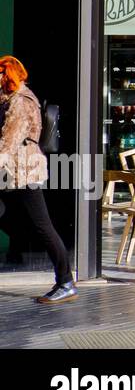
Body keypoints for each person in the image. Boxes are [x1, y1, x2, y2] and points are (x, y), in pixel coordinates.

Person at [0, 56, 75, 304]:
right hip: (12, 171)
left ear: (7, 75)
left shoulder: (21, 102)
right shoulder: (9, 99)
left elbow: (8, 142)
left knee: (43, 226)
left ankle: (65, 281)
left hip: (24, 170)